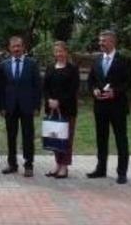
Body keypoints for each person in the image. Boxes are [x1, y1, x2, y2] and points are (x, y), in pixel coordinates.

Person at [87, 30, 131, 185]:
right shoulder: (97, 60)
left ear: (113, 42)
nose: (101, 43)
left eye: (104, 41)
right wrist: (94, 89)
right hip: (100, 106)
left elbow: (129, 83)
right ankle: (101, 169)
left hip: (117, 107)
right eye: (100, 41)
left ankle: (122, 172)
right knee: (101, 139)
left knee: (121, 139)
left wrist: (115, 92)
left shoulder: (124, 60)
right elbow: (91, 80)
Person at [0, 36, 41, 177]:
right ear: (10, 48)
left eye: (19, 46)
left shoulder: (32, 64)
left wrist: (37, 106)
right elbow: (1, 87)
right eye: (13, 46)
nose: (16, 49)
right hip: (10, 107)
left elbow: (37, 87)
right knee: (11, 136)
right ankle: (12, 164)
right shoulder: (3, 65)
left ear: (23, 47)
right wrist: (2, 106)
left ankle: (29, 165)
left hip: (27, 106)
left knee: (28, 136)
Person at [42, 41, 80, 179]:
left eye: (61, 51)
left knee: (66, 139)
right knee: (55, 138)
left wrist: (59, 101)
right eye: (56, 51)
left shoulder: (72, 69)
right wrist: (49, 100)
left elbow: (73, 89)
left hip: (67, 109)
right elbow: (45, 87)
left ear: (66, 52)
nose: (59, 54)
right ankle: (57, 164)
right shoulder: (50, 68)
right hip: (52, 109)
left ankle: (64, 166)